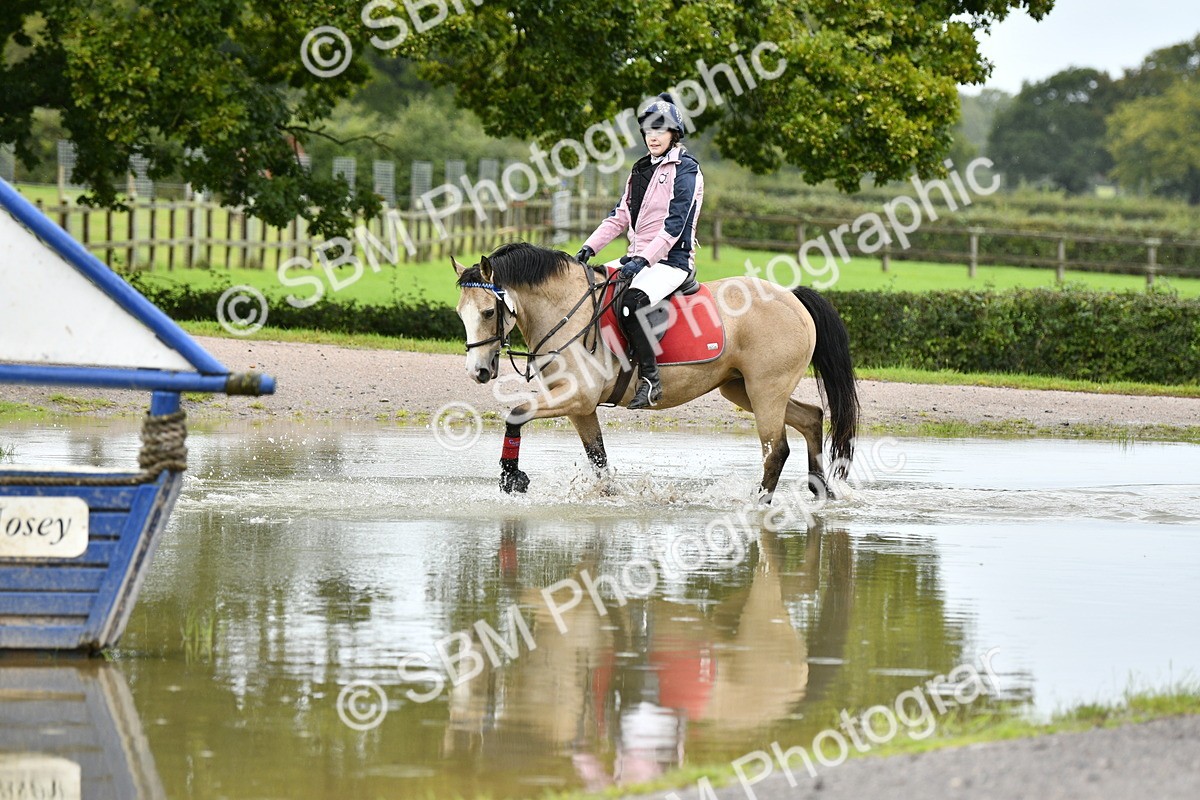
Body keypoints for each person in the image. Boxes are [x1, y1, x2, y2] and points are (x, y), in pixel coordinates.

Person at [576, 93, 704, 409]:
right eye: (648, 130)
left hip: (671, 262)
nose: (653, 137)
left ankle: (650, 380)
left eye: (660, 130)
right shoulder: (640, 169)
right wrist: (589, 247)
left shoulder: (686, 169)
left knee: (631, 304)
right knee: (587, 287)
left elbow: (674, 227)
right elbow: (619, 215)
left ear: (674, 134)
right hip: (637, 258)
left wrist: (642, 260)